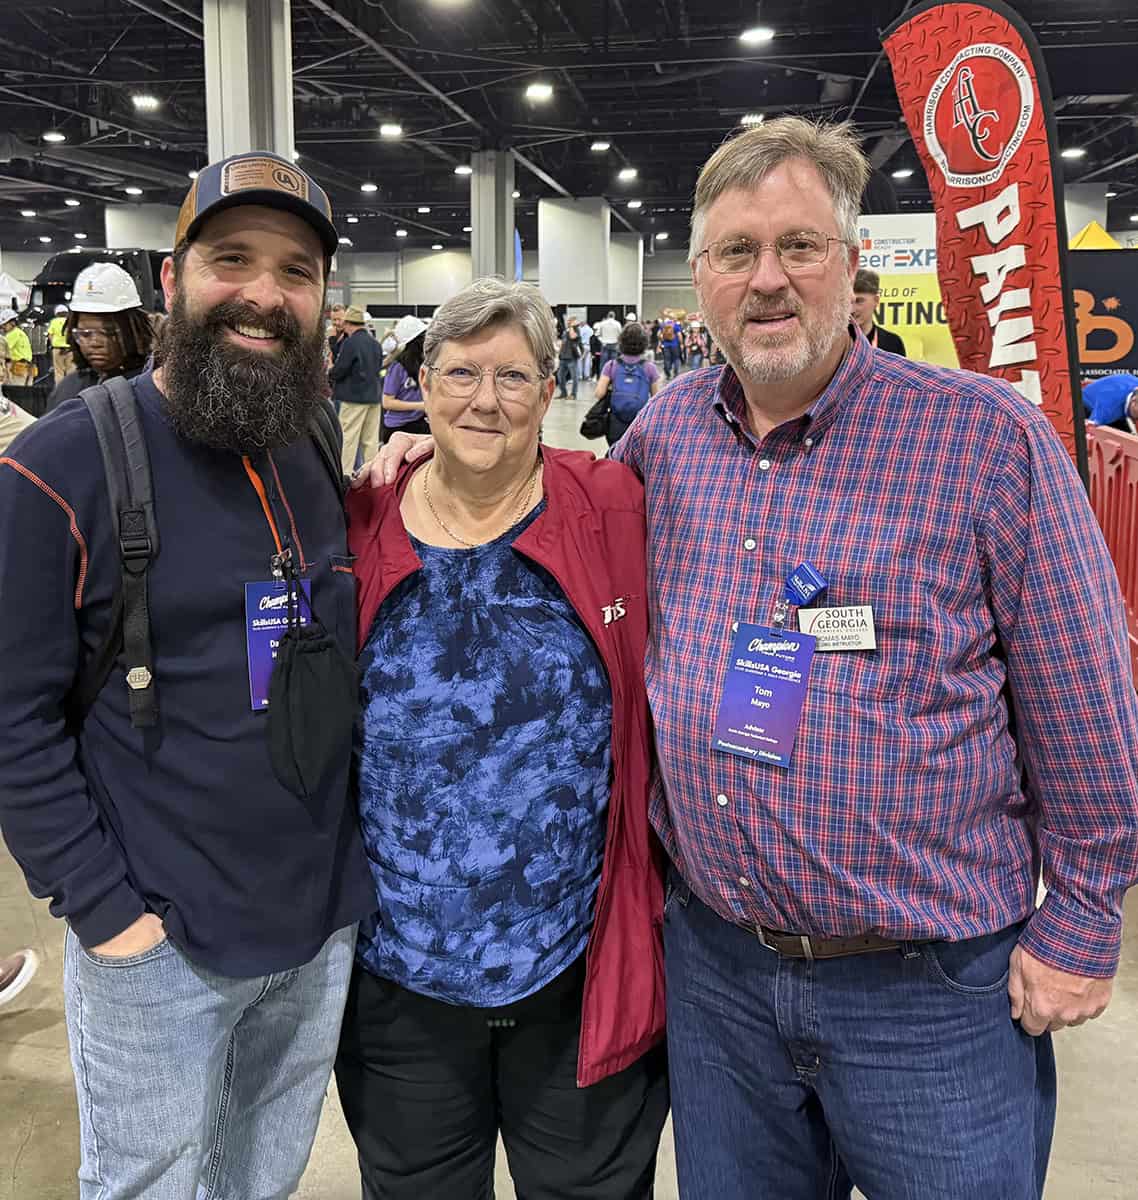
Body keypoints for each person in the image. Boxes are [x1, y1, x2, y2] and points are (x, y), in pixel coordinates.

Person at [365, 114, 1138, 1199]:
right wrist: (418, 463)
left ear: (850, 263)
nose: (766, 279)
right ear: (703, 278)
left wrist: (1084, 917)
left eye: (799, 246)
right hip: (719, 975)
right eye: (736, 252)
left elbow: (1087, 701)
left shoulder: (983, 439)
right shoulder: (665, 437)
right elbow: (544, 502)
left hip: (928, 991)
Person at [0, 149, 375, 1199]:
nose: (263, 293)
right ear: (173, 281)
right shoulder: (61, 465)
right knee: (150, 1182)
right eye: (231, 259)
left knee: (262, 1172)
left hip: (316, 921)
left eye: (295, 270)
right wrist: (107, 913)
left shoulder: (300, 438)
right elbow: (12, 720)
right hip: (159, 937)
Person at [337, 276, 667, 1198]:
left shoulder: (611, 505)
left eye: (515, 378)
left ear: (551, 389)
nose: (486, 399)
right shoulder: (359, 517)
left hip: (575, 967)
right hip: (399, 978)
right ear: (424, 383)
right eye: (461, 373)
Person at [46, 263, 156, 410]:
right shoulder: (67, 389)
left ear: (131, 330)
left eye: (109, 332)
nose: (95, 343)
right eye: (85, 334)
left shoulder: (153, 387)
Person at [331, 304, 384, 474]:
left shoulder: (351, 343)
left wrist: (330, 373)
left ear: (348, 324)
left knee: (348, 439)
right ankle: (372, 475)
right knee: (370, 441)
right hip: (374, 398)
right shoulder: (375, 344)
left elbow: (340, 369)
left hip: (353, 398)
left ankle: (345, 476)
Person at [592, 320, 661, 445]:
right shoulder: (650, 368)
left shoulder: (611, 365)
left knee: (615, 458)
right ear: (644, 342)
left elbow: (599, 393)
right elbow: (657, 398)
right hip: (640, 423)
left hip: (615, 423)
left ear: (622, 341)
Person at [381, 314, 429, 443]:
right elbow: (387, 402)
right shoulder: (398, 367)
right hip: (398, 428)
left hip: (418, 422)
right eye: (424, 336)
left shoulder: (424, 363)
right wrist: (420, 406)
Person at [850, 267, 906, 355]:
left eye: (859, 301)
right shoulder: (834, 342)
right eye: (848, 302)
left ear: (876, 300)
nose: (852, 309)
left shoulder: (893, 343)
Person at [1, 313, 34, 387]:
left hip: (17, 367)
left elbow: (2, 348)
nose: (2, 328)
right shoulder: (19, 332)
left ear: (12, 323)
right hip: (26, 367)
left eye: (4, 325)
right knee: (24, 392)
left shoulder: (13, 334)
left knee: (14, 391)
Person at [555, 316, 582, 399]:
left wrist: (571, 327)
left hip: (572, 357)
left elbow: (573, 337)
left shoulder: (576, 329)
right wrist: (559, 353)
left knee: (574, 377)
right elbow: (563, 342)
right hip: (563, 357)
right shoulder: (566, 331)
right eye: (568, 321)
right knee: (560, 376)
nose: (568, 322)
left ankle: (573, 394)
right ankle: (563, 393)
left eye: (570, 321)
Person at [49, 303, 74, 384]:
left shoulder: (54, 322)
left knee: (59, 372)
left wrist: (53, 343)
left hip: (57, 349)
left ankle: (60, 392)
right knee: (71, 371)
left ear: (56, 313)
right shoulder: (70, 321)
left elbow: (50, 335)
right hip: (70, 350)